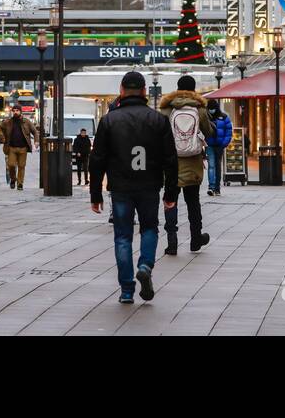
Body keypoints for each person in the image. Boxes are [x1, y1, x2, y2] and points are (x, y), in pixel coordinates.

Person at [90, 71, 178, 304]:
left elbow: (97, 159)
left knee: (123, 237)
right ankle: (146, 265)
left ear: (121, 91)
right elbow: (170, 160)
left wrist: (95, 194)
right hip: (149, 185)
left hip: (120, 186)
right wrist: (170, 193)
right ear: (144, 91)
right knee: (150, 228)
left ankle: (127, 289)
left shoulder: (108, 121)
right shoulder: (159, 120)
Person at [157, 75, 215, 256]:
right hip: (193, 161)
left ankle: (172, 241)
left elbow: (159, 134)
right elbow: (209, 132)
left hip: (171, 163)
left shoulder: (167, 109)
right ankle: (196, 239)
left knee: (170, 200)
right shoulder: (199, 109)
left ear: (177, 88)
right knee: (193, 202)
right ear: (193, 89)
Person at [0, 108, 38, 190]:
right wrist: (2, 138)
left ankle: (20, 184)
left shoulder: (26, 122)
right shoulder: (8, 122)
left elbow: (34, 131)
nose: (15, 112)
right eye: (14, 111)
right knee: (11, 165)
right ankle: (13, 179)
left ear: (20, 112)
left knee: (21, 166)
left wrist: (36, 141)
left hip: (23, 148)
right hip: (11, 148)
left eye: (17, 111)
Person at [205, 99, 233, 197]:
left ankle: (217, 188)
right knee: (211, 165)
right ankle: (211, 187)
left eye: (213, 108)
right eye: (210, 109)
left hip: (219, 146)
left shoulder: (224, 117)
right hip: (209, 145)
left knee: (217, 166)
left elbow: (229, 131)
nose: (211, 110)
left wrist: (224, 143)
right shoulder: (205, 117)